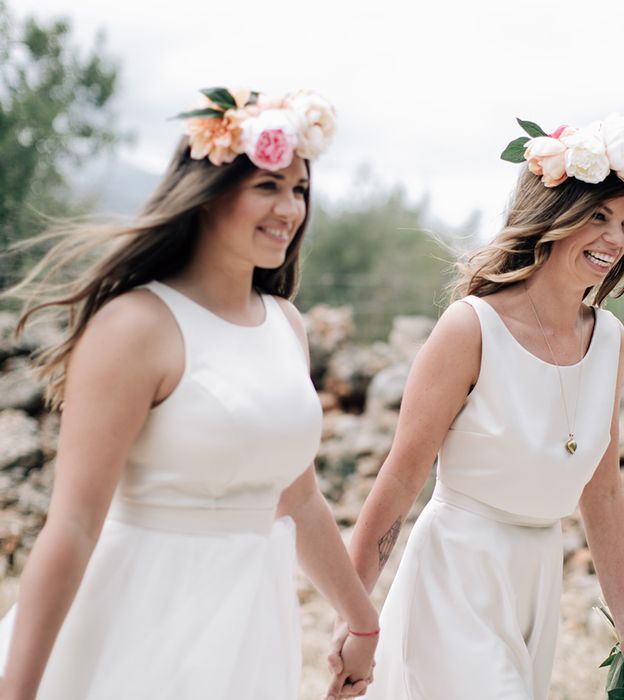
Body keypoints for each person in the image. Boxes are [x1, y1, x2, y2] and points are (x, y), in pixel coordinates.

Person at [0, 87, 377, 700]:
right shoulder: (136, 327)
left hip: (248, 628)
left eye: (300, 189)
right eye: (267, 186)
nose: (290, 208)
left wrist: (362, 620)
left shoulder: (286, 325)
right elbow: (71, 526)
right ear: (207, 196)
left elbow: (298, 495)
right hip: (137, 622)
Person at [327, 115, 624, 699]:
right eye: (596, 216)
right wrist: (355, 614)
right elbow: (399, 479)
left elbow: (603, 490)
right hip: (457, 573)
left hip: (537, 577)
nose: (616, 239)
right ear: (552, 216)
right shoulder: (471, 327)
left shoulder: (611, 338)